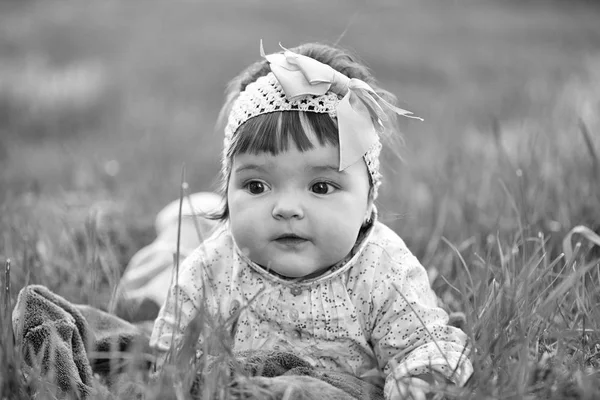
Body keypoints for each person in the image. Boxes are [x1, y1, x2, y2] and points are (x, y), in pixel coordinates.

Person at [150, 41, 473, 399]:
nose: (287, 208)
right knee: (152, 285)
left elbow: (421, 348)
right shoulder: (213, 267)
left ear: (368, 201)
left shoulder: (383, 270)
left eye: (320, 186)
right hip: (195, 256)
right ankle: (180, 226)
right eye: (256, 185)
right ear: (230, 189)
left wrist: (416, 384)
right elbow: (171, 354)